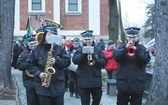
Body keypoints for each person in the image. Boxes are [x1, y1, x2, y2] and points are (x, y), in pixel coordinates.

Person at [29, 25, 71, 105]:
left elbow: (67, 62)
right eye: (49, 35)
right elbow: (30, 65)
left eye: (53, 35)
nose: (51, 37)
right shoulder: (36, 50)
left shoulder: (61, 48)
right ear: (44, 35)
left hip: (58, 86)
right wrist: (39, 73)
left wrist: (57, 60)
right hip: (42, 87)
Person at [113, 27, 151, 105]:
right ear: (126, 37)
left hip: (137, 85)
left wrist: (136, 50)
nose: (131, 39)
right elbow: (116, 58)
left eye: (134, 37)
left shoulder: (142, 48)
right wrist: (125, 49)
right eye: (130, 37)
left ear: (137, 37)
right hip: (123, 84)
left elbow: (145, 61)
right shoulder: (121, 47)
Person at [72, 30, 107, 105]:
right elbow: (74, 60)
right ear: (83, 40)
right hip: (83, 81)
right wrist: (83, 55)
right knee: (85, 102)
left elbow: (104, 62)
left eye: (89, 39)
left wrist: (95, 58)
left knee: (97, 99)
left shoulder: (98, 49)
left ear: (92, 39)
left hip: (96, 81)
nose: (88, 41)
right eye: (86, 39)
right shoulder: (79, 50)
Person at [17, 35, 40, 105]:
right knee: (31, 101)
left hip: (40, 80)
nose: (33, 45)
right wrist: (29, 62)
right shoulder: (24, 54)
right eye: (31, 44)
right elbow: (19, 65)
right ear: (28, 44)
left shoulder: (41, 52)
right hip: (29, 80)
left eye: (34, 43)